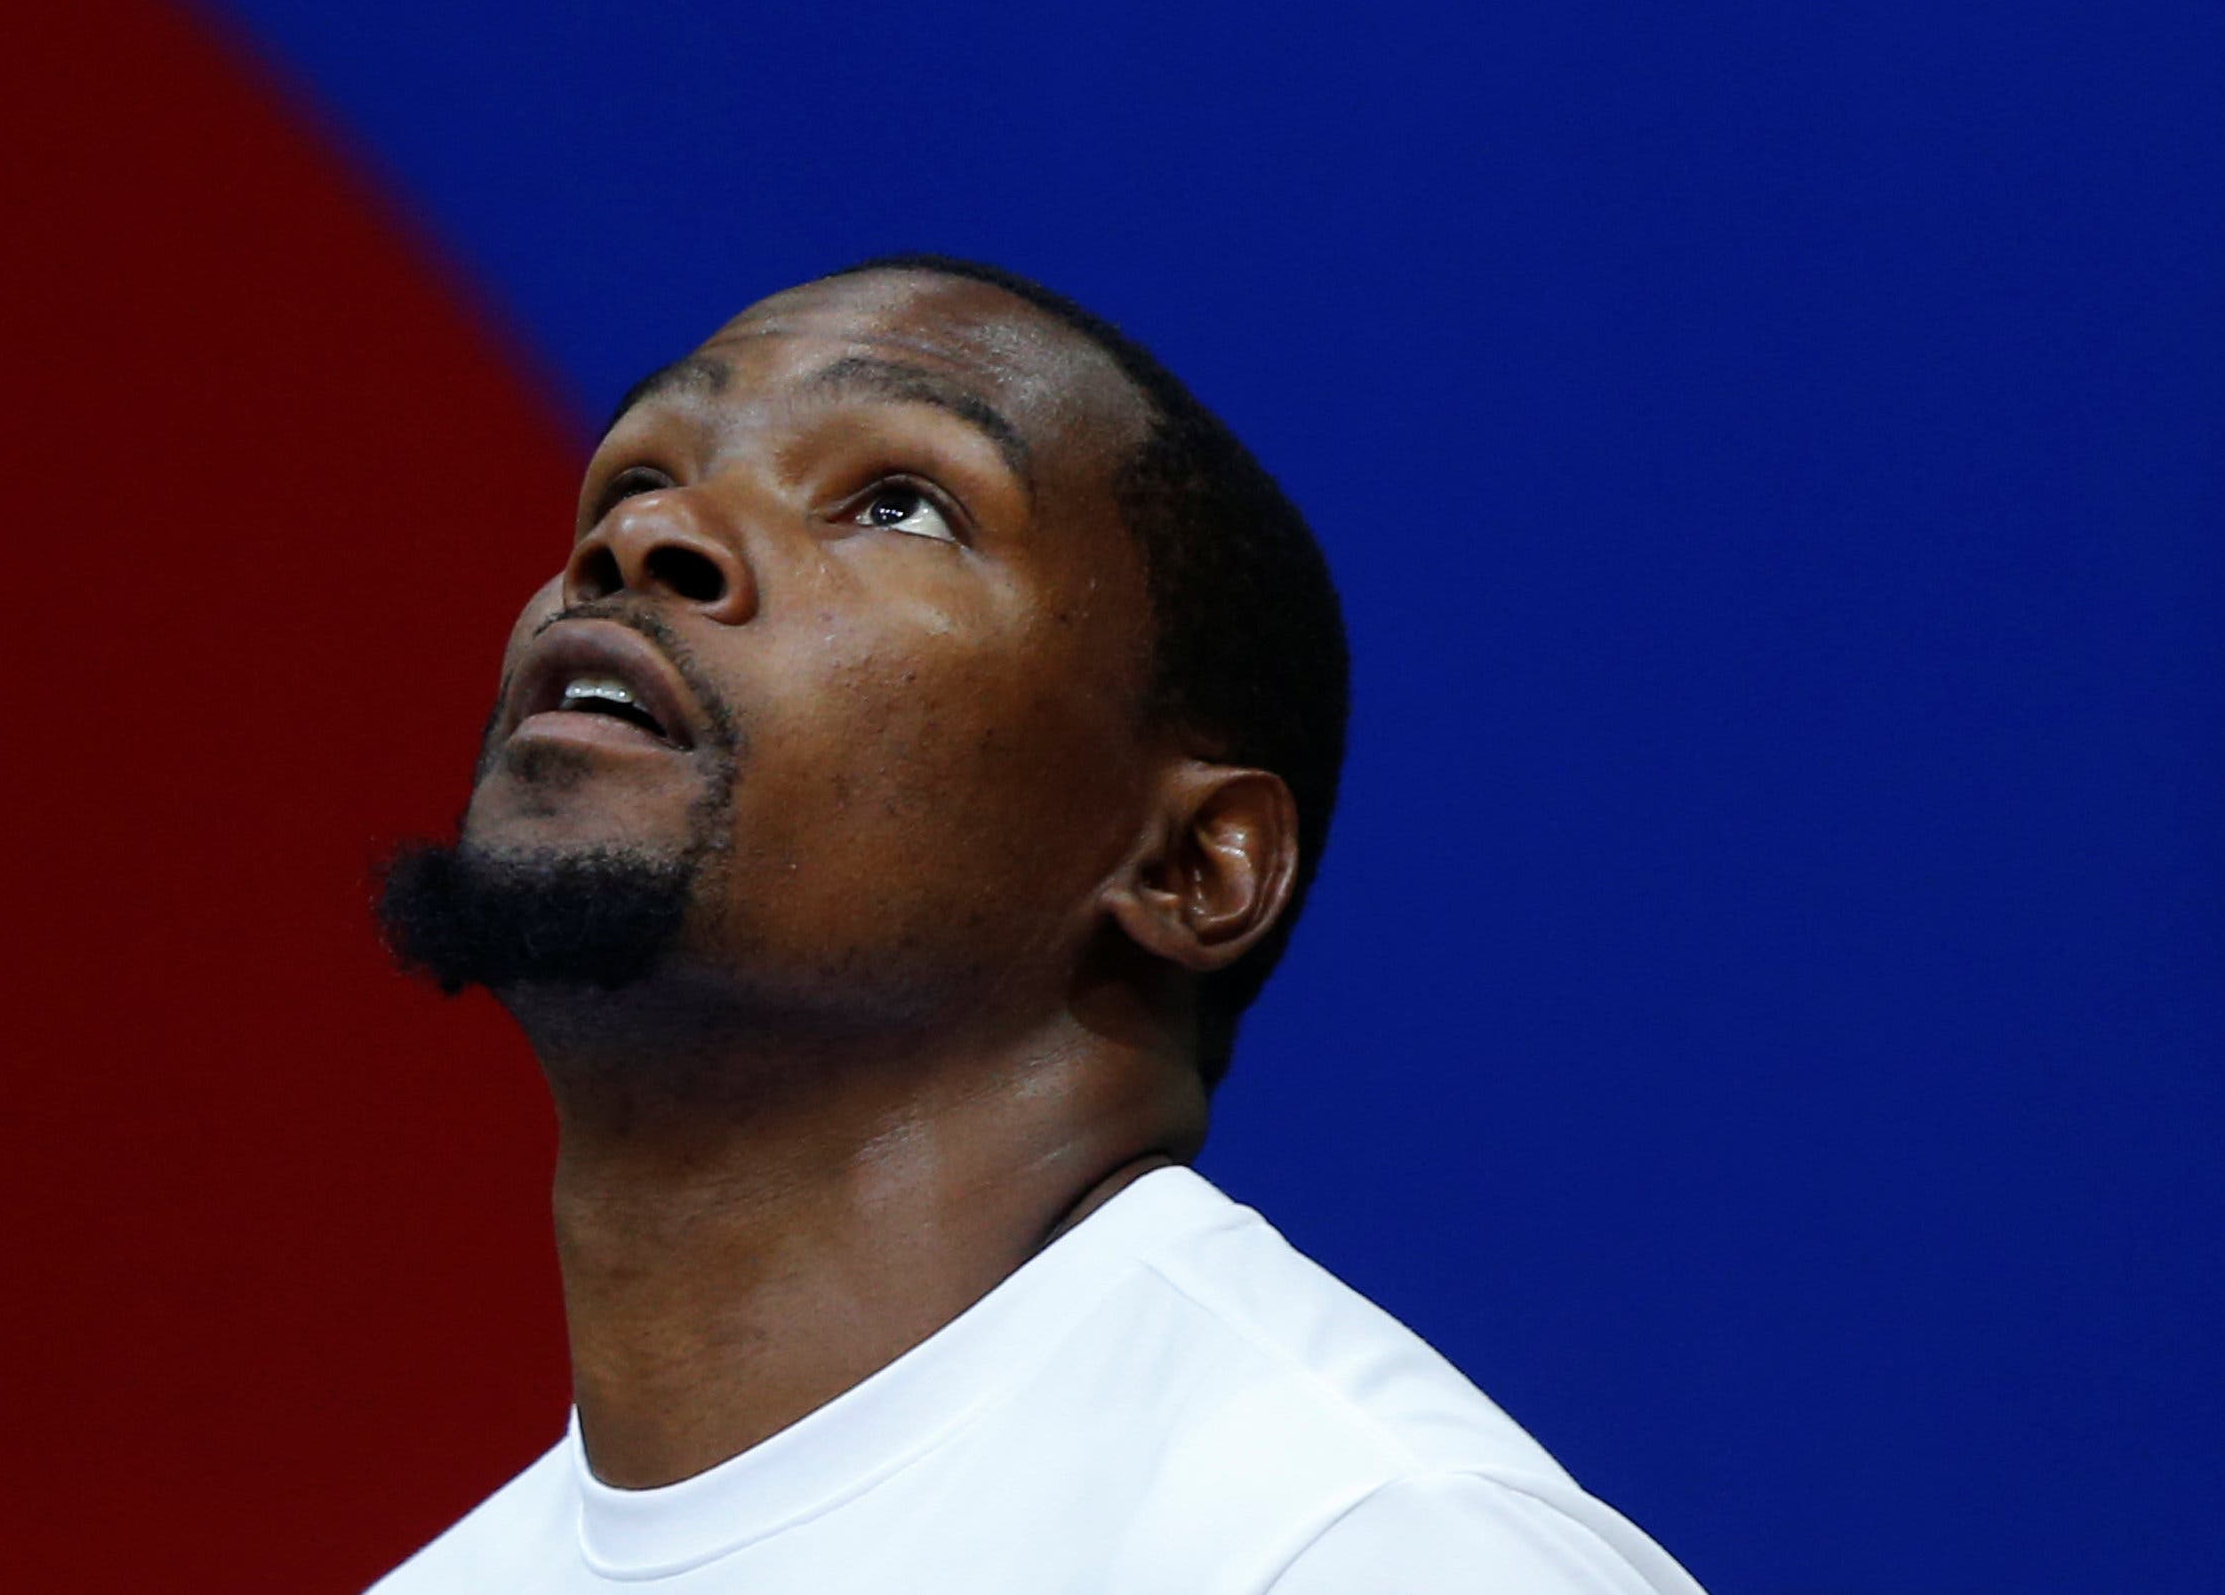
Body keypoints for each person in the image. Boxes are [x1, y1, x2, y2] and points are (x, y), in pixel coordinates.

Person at [369, 257, 1704, 1594]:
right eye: (633, 481)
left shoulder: (1369, 1547)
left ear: (1193, 864)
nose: (645, 540)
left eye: (900, 503)